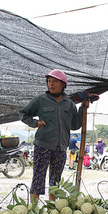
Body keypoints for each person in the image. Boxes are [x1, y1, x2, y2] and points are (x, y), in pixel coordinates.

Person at [19, 69, 88, 202]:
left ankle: (52, 207)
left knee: (56, 179)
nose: (51, 84)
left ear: (63, 84)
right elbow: (23, 113)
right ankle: (33, 210)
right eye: (49, 81)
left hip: (61, 146)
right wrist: (35, 122)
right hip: (43, 144)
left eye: (54, 81)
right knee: (38, 176)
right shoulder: (40, 100)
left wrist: (82, 108)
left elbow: (75, 125)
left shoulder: (70, 104)